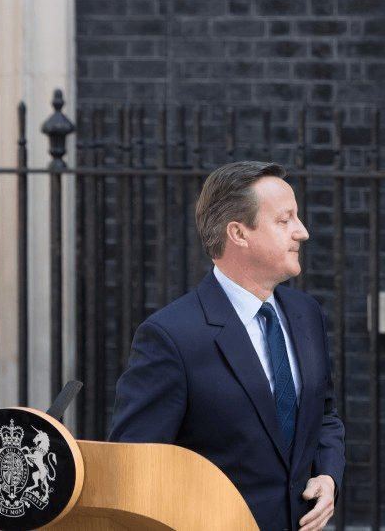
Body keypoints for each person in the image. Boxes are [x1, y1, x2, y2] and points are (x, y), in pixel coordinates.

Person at [108, 161, 345, 531]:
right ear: (238, 233)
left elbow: (324, 415)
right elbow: (137, 467)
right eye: (285, 221)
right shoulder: (170, 337)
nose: (302, 232)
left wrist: (328, 476)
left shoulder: (305, 314)